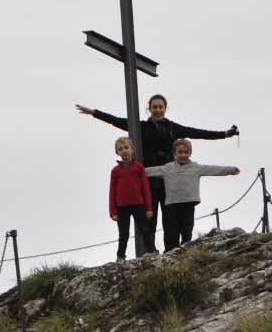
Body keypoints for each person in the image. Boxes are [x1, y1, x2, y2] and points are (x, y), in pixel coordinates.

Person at [76, 94, 237, 251]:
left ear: (165, 109)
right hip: (148, 180)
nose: (158, 110)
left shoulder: (173, 127)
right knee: (148, 219)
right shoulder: (141, 126)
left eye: (161, 107)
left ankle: (171, 251)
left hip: (169, 181)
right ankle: (149, 252)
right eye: (154, 107)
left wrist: (224, 134)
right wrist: (94, 113)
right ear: (149, 109)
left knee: (170, 221)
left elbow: (198, 133)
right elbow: (117, 121)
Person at [145, 138, 240, 251]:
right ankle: (169, 255)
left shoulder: (196, 168)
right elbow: (148, 171)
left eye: (186, 152)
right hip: (172, 206)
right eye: (180, 152)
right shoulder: (167, 168)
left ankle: (186, 253)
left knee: (187, 232)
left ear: (190, 153)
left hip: (188, 205)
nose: (183, 155)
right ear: (174, 153)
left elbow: (213, 169)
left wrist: (231, 170)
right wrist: (131, 172)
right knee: (171, 233)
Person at [108, 136, 155, 261]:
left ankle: (152, 251)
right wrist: (112, 211)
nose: (124, 150)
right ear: (117, 152)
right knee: (123, 234)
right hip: (121, 207)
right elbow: (112, 191)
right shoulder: (115, 171)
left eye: (126, 147)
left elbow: (146, 189)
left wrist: (149, 208)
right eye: (120, 149)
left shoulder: (139, 168)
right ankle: (120, 256)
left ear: (132, 149)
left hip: (139, 205)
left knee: (145, 229)